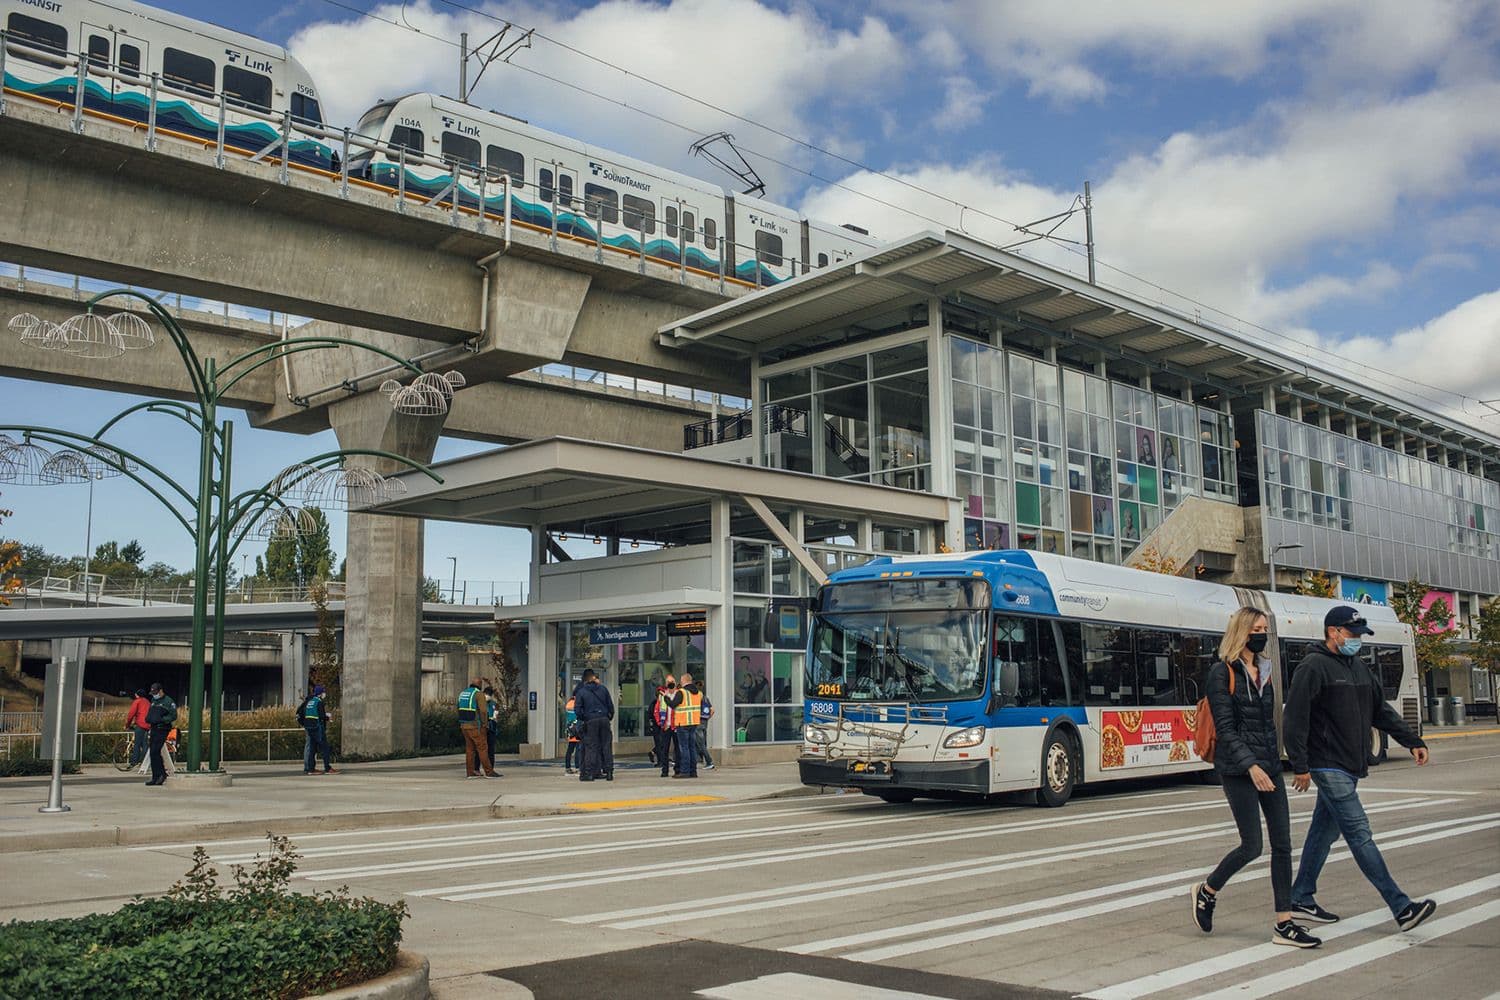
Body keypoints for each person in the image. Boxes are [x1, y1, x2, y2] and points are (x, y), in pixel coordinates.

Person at [1285, 606, 1436, 932]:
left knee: (1323, 833)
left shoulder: (1360, 668)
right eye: (1352, 634)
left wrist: (1411, 740)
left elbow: (1380, 711)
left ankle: (1300, 897)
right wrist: (1300, 765)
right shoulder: (1312, 667)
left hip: (1351, 764)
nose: (1357, 640)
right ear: (1333, 632)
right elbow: (1295, 718)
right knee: (1360, 834)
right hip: (1327, 765)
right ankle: (1402, 907)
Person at [1191, 608, 1319, 948]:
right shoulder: (1222, 673)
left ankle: (1284, 923)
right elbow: (1226, 728)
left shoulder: (1265, 670)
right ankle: (1207, 890)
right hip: (1238, 769)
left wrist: (1284, 761)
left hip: (1269, 766)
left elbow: (1270, 722)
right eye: (1256, 628)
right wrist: (1251, 766)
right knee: (1252, 846)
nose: (1261, 634)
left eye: (1265, 628)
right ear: (1241, 632)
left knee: (1283, 844)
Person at [574, 668, 614, 782]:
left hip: (590, 721)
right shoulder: (603, 689)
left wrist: (584, 718)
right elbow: (610, 706)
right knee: (606, 746)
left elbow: (577, 710)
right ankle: (609, 772)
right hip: (604, 719)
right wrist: (608, 717)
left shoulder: (581, 692)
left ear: (585, 680)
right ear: (593, 678)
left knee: (591, 746)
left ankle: (590, 773)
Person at [458, 679, 497, 779]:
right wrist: (485, 724)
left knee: (470, 749)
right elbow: (483, 711)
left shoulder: (463, 693)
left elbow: (458, 708)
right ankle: (489, 772)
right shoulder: (478, 694)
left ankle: (470, 772)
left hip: (464, 725)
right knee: (483, 748)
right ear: (479, 685)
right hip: (475, 726)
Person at [143, 682, 176, 787]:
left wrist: (162, 720)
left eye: (156, 692)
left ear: (161, 691)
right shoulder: (153, 700)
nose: (154, 694)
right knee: (153, 753)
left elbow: (173, 715)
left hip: (162, 728)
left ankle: (161, 774)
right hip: (154, 728)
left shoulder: (168, 701)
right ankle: (155, 776)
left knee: (155, 750)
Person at [300, 684, 337, 775]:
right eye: (323, 692)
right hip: (317, 727)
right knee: (325, 747)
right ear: (320, 693)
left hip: (309, 727)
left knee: (312, 748)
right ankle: (327, 768)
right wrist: (328, 718)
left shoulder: (310, 702)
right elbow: (321, 716)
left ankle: (311, 769)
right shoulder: (319, 702)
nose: (324, 694)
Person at [672, 671, 702, 779]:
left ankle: (685, 771)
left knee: (684, 748)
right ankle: (693, 771)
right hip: (693, 723)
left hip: (683, 723)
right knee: (692, 747)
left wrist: (666, 697)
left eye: (681, 680)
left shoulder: (682, 692)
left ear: (684, 680)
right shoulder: (698, 693)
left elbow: (672, 705)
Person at [650, 674, 678, 777]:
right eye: (668, 682)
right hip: (665, 726)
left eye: (672, 682)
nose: (670, 684)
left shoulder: (679, 694)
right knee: (664, 749)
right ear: (666, 684)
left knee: (677, 749)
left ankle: (677, 769)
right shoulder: (662, 696)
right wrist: (661, 723)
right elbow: (657, 711)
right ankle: (664, 770)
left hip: (676, 726)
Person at [690, 679, 716, 771]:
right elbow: (712, 710)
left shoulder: (696, 697)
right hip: (704, 723)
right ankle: (698, 759)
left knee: (700, 744)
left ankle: (709, 762)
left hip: (697, 723)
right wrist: (706, 718)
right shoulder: (706, 698)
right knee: (700, 743)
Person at [125, 688, 150, 768]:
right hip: (148, 725)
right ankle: (145, 762)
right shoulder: (148, 702)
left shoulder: (137, 701)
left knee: (137, 744)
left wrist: (127, 725)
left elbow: (131, 714)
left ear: (137, 695)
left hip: (140, 725)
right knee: (145, 744)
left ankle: (134, 762)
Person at [483, 681, 504, 776]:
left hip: (491, 727)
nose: (487, 696)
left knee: (491, 750)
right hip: (483, 728)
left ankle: (491, 769)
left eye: (489, 695)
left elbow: (496, 716)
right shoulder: (480, 703)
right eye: (486, 694)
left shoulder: (494, 704)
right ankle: (477, 769)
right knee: (481, 749)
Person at [563, 690, 582, 775]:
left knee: (570, 749)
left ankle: (567, 767)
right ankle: (578, 767)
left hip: (570, 730)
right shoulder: (577, 704)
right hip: (577, 729)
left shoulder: (569, 703)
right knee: (578, 749)